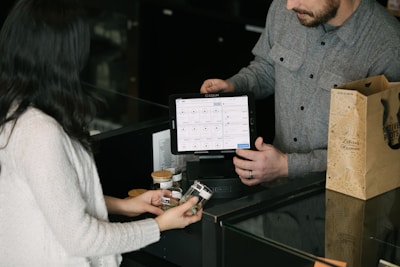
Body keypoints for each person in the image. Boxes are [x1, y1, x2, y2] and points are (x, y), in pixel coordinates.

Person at [0, 0, 202, 266]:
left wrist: (125, 205)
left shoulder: (17, 111)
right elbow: (81, 238)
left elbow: (58, 200)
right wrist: (160, 225)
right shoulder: (40, 132)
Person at [200, 0, 400, 186]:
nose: (289, 5)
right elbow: (268, 68)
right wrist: (235, 85)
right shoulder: (283, 8)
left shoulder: (389, 45)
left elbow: (377, 148)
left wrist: (288, 166)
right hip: (276, 194)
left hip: (337, 199)